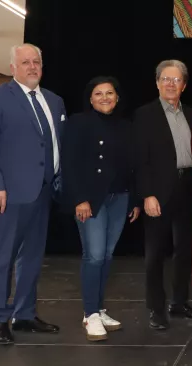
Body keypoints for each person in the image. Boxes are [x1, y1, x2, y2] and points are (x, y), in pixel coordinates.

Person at [0, 43, 63, 344]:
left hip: (42, 193)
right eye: (25, 62)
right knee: (2, 259)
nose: (32, 66)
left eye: (36, 61)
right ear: (13, 68)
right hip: (7, 195)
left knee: (33, 258)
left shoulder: (54, 101)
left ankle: (24, 314)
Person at [61, 76, 141, 341]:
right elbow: (69, 163)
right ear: (90, 98)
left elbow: (133, 167)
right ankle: (90, 314)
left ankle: (98, 308)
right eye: (98, 93)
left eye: (110, 93)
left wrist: (135, 200)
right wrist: (78, 199)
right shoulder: (78, 122)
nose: (105, 97)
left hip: (119, 198)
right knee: (93, 255)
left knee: (106, 255)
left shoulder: (126, 125)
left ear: (117, 97)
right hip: (91, 199)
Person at [134, 60, 192, 330]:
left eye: (176, 80)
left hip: (188, 187)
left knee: (184, 252)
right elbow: (140, 160)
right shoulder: (144, 114)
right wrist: (147, 194)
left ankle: (178, 303)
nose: (170, 84)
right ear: (157, 82)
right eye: (165, 79)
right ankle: (155, 308)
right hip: (158, 191)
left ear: (184, 85)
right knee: (155, 255)